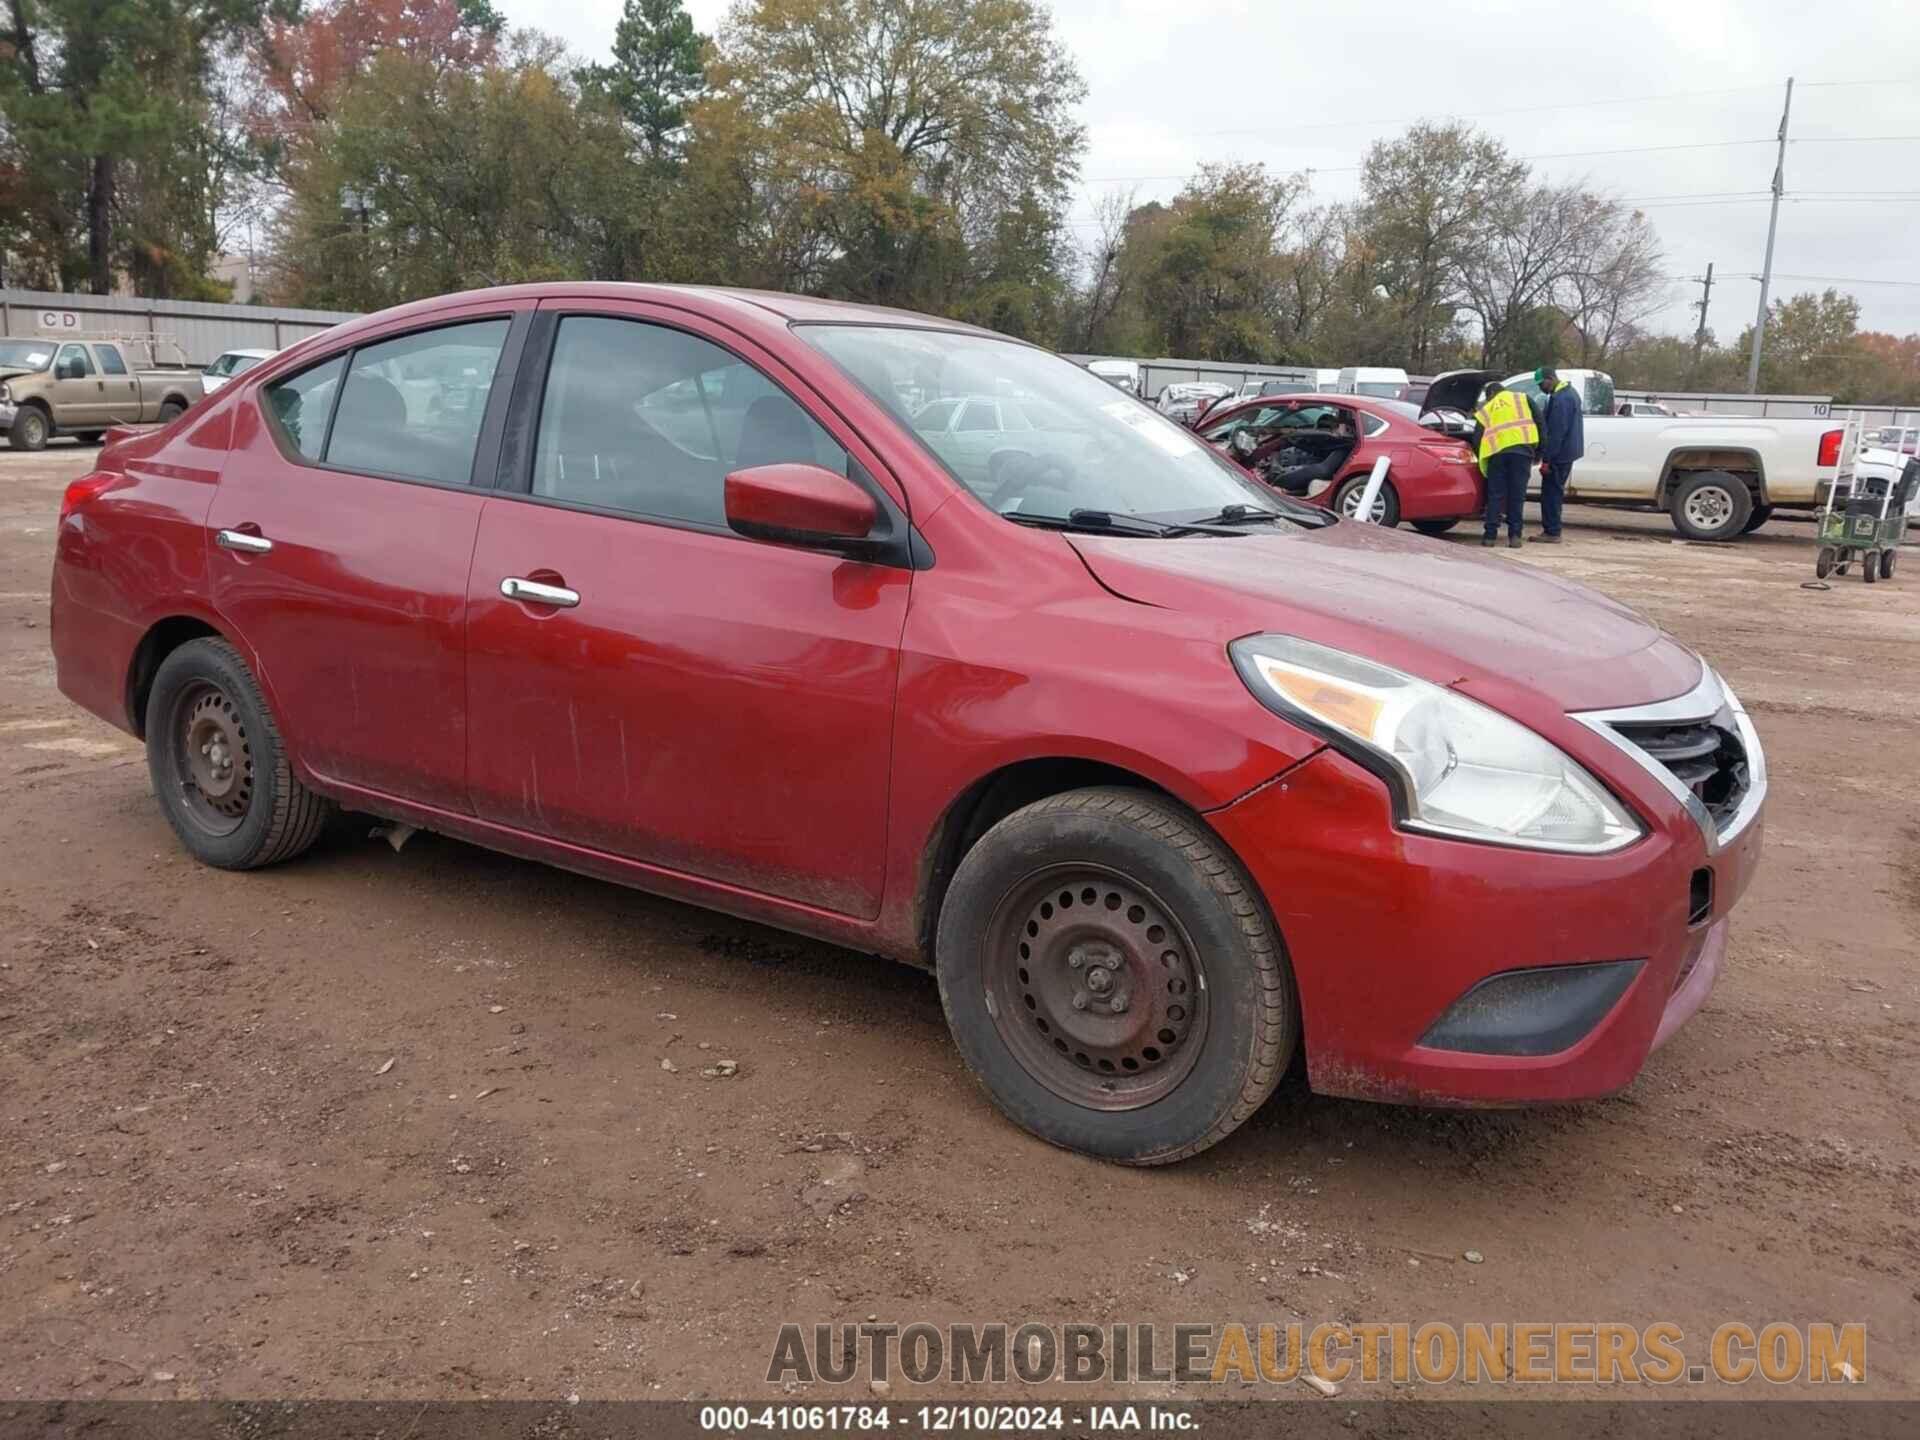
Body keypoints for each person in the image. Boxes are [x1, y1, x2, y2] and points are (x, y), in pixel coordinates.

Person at [1471, 381, 1539, 548]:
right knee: (1517, 496)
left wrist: (1481, 456)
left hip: (1497, 455)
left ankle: (1490, 536)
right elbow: (1540, 423)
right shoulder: (1523, 399)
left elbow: (1477, 436)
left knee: (1495, 495)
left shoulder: (1487, 408)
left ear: (1491, 395)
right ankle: (1515, 537)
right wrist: (1539, 452)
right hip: (1522, 454)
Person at [1533, 366, 1584, 543]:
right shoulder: (1570, 393)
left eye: (1541, 384)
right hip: (1567, 453)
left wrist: (1546, 459)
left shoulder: (1561, 399)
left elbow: (1556, 433)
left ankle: (1552, 532)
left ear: (1550, 378)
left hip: (1559, 456)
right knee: (1554, 492)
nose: (1540, 388)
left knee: (1551, 494)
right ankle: (1552, 530)